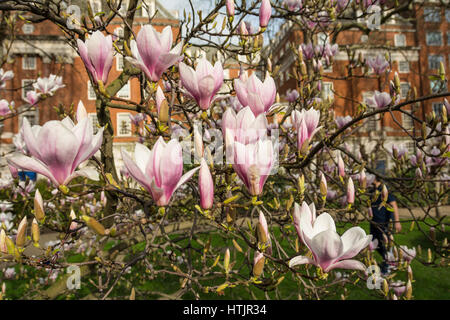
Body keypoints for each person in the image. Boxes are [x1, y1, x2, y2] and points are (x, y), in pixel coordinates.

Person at [368, 176, 402, 275]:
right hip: (374, 222)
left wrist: (397, 221)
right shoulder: (372, 191)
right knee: (375, 244)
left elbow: (393, 205)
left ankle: (388, 266)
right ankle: (387, 261)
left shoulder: (384, 189)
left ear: (375, 179)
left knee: (386, 244)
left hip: (384, 223)